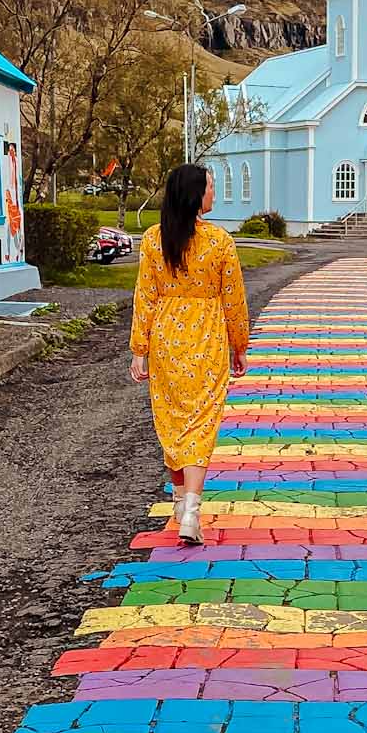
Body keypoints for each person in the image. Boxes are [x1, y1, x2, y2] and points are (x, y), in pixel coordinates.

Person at [130, 161, 249, 544]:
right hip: (207, 338)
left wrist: (140, 349)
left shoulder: (154, 239)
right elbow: (234, 300)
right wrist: (239, 345)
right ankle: (192, 511)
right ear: (196, 194)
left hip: (166, 337)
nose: (213, 193)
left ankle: (180, 503)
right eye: (211, 187)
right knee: (201, 422)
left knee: (172, 420)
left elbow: (144, 297)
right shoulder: (219, 242)